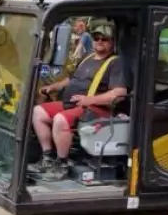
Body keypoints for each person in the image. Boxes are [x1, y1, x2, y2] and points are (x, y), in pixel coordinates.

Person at [29, 18, 128, 179]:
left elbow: (120, 93)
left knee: (61, 119)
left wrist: (90, 100)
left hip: (95, 109)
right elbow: (71, 79)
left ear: (112, 42)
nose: (99, 42)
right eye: (96, 38)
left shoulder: (115, 63)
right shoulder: (88, 57)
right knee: (38, 112)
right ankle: (47, 158)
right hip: (72, 104)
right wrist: (54, 87)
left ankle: (62, 164)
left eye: (105, 39)